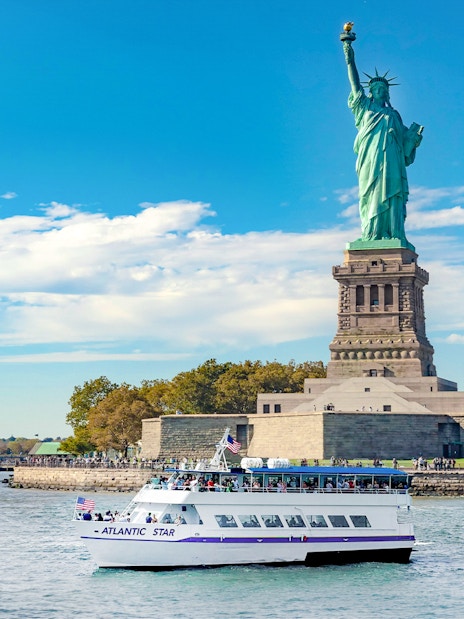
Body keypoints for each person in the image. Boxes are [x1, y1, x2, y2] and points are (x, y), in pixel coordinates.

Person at [342, 37, 422, 243]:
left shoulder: (394, 115)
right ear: (370, 91)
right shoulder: (364, 108)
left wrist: (413, 140)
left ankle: (394, 233)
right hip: (370, 158)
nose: (379, 91)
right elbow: (354, 83)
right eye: (375, 88)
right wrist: (349, 57)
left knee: (393, 194)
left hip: (393, 162)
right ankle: (371, 234)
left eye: (383, 89)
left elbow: (405, 148)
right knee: (371, 194)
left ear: (387, 93)